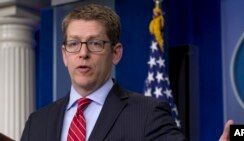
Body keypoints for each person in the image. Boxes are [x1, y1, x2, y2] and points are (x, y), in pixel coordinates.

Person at [20, 4, 231, 141]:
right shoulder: (37, 123)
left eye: (95, 43)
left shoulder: (148, 114)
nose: (83, 53)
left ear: (116, 52)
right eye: (74, 44)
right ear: (64, 54)